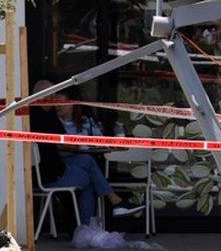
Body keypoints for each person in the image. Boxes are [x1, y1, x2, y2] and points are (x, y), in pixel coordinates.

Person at [28, 83, 139, 229]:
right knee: (89, 178)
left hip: (40, 173)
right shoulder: (46, 119)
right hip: (51, 175)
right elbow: (66, 144)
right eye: (51, 95)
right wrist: (79, 141)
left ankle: (101, 215)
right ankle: (91, 224)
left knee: (87, 161)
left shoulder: (31, 116)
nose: (53, 100)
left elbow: (63, 143)